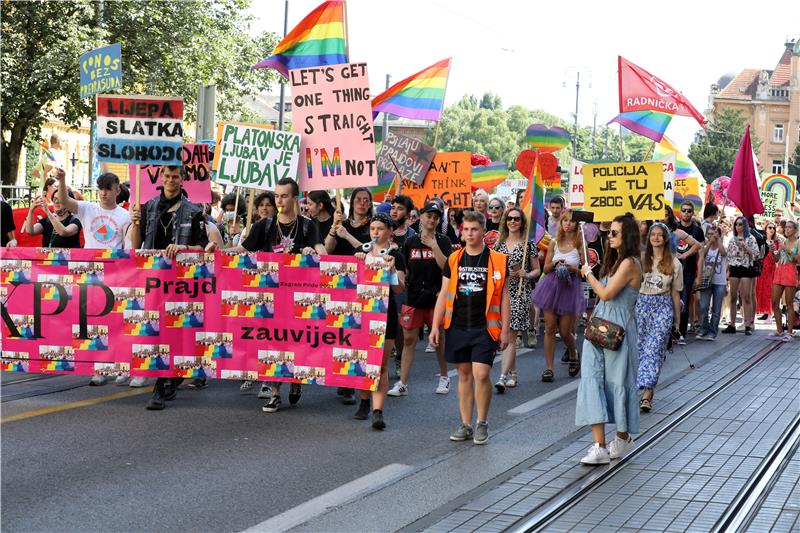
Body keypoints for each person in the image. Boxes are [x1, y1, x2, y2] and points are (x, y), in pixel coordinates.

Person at [226, 177, 327, 411]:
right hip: (270, 295)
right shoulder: (265, 225)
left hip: (299, 297)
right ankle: (274, 392)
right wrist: (218, 252)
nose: (279, 200)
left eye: (283, 196)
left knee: (295, 342)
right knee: (271, 343)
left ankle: (295, 379)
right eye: (276, 195)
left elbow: (322, 251)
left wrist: (315, 252)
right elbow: (242, 250)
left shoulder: (307, 225)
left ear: (295, 198)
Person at [129, 165, 209, 409]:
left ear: (182, 179)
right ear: (161, 178)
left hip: (182, 281)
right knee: (157, 330)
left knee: (176, 330)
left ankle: (164, 384)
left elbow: (203, 248)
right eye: (167, 176)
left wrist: (183, 248)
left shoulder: (194, 211)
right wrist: (134, 224)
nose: (171, 180)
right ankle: (166, 380)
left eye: (176, 177)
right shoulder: (148, 207)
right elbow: (137, 246)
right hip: (154, 280)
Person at [430, 210, 510, 445]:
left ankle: (482, 422)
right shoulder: (454, 259)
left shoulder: (497, 259)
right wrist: (436, 326)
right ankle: (465, 424)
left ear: (483, 231)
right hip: (457, 326)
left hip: (485, 327)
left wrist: (505, 329)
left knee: (482, 373)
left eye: (474, 229)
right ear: (461, 232)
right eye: (466, 229)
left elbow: (504, 296)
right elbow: (443, 294)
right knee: (464, 375)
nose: (470, 233)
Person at [577, 213, 642, 465]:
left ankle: (622, 436)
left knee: (616, 384)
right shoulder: (616, 261)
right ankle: (599, 446)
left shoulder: (630, 263)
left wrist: (588, 274)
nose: (609, 236)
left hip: (617, 334)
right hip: (598, 330)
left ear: (627, 236)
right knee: (592, 382)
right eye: (609, 232)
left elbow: (605, 293)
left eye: (614, 233)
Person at [57, 169, 131, 385]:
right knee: (94, 324)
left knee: (118, 323)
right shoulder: (88, 209)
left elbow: (128, 246)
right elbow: (64, 201)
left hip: (116, 277)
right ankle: (100, 368)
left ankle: (122, 365)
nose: (103, 193)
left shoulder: (125, 216)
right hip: (90, 276)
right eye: (100, 188)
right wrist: (62, 180)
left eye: (108, 188)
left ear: (117, 190)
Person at [390, 201, 453, 397]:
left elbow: (447, 268)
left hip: (436, 297)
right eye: (428, 215)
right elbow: (406, 269)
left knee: (438, 338)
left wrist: (434, 246)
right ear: (421, 217)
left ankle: (444, 377)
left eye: (435, 217)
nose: (432, 219)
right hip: (414, 297)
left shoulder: (443, 241)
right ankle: (402, 383)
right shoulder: (410, 242)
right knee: (409, 339)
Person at [352, 214, 406, 429]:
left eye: (380, 228)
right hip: (361, 312)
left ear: (389, 231)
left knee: (380, 364)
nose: (375, 232)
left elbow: (400, 288)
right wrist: (355, 262)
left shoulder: (396, 255)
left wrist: (392, 270)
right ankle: (364, 402)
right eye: (373, 228)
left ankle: (378, 410)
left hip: (385, 313)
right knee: (363, 360)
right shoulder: (362, 252)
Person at [324, 187, 373, 405]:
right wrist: (335, 229)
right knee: (340, 333)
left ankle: (353, 383)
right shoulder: (340, 224)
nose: (362, 203)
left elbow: (372, 251)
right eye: (358, 200)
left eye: (366, 200)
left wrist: (348, 235)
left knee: (356, 334)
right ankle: (342, 378)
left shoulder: (373, 227)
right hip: (339, 284)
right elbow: (327, 249)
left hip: (362, 286)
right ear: (352, 203)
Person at [531, 210, 585, 382]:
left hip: (570, 287)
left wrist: (573, 269)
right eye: (564, 221)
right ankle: (549, 368)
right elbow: (545, 269)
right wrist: (555, 263)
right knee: (549, 327)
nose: (567, 224)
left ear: (577, 224)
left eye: (571, 221)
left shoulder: (580, 243)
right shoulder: (553, 242)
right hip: (552, 286)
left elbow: (586, 271)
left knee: (564, 331)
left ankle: (573, 352)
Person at [636, 223, 682, 412]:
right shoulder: (641, 260)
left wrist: (677, 320)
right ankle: (643, 383)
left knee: (654, 349)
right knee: (641, 348)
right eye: (652, 234)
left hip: (662, 306)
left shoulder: (674, 263)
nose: (655, 238)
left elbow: (676, 294)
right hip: (642, 305)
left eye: (659, 235)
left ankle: (648, 391)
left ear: (665, 239)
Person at [493, 207, 539, 392]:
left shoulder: (528, 244)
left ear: (522, 223)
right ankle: (513, 374)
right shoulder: (498, 244)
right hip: (501, 292)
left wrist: (525, 274)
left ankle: (502, 377)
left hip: (520, 292)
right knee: (504, 335)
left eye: (516, 219)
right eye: (509, 218)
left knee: (511, 334)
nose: (512, 222)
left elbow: (537, 269)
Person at [669, 203, 704, 344]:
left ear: (692, 213)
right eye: (684, 210)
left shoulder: (697, 230)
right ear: (680, 212)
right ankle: (671, 330)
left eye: (689, 211)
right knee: (671, 300)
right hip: (671, 270)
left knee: (683, 300)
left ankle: (681, 333)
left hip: (688, 271)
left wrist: (699, 274)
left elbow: (700, 252)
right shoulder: (674, 228)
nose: (686, 213)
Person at [722, 216, 758, 335]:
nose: (738, 226)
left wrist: (745, 247)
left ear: (745, 225)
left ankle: (748, 324)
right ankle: (732, 325)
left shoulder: (751, 238)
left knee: (746, 297)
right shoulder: (733, 239)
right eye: (736, 224)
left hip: (746, 268)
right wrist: (727, 271)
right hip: (735, 268)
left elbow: (756, 255)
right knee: (733, 297)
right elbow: (729, 256)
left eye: (741, 224)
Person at [768, 220, 799, 342]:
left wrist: (787, 249)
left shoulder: (797, 243)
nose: (787, 229)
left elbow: (798, 259)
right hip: (779, 272)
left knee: (789, 304)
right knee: (775, 302)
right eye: (786, 227)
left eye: (790, 227)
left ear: (795, 230)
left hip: (790, 272)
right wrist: (773, 250)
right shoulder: (783, 242)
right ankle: (779, 330)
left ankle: (790, 332)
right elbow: (777, 259)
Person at [696, 224, 728, 341]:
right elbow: (701, 255)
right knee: (703, 306)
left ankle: (712, 331)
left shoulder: (722, 247)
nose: (711, 236)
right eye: (709, 234)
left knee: (716, 308)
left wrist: (718, 239)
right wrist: (709, 242)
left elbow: (724, 253)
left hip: (720, 282)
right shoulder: (705, 247)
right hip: (706, 281)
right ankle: (703, 328)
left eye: (713, 234)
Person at [756, 223, 779, 320]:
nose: (772, 229)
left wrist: (773, 250)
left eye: (774, 228)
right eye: (770, 227)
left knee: (770, 290)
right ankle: (763, 311)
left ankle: (770, 314)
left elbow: (777, 258)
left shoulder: (777, 242)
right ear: (765, 229)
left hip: (771, 268)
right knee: (760, 289)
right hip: (762, 267)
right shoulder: (761, 240)